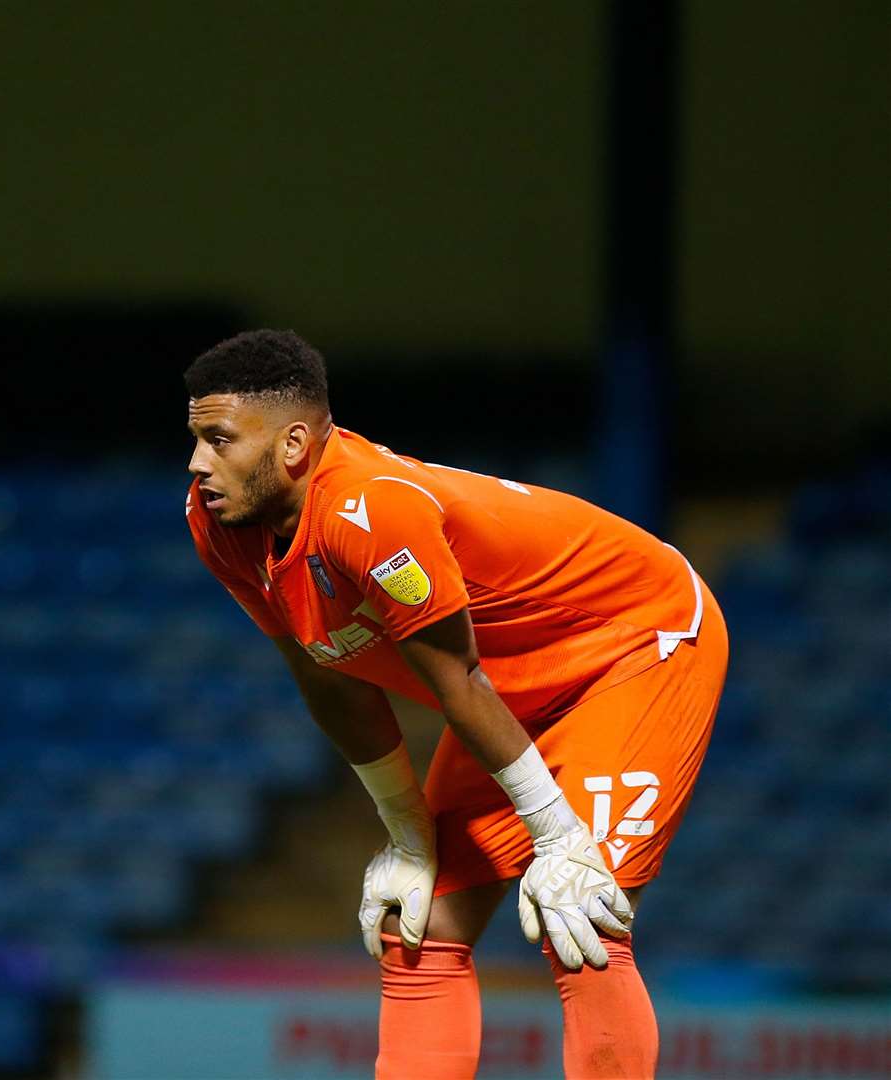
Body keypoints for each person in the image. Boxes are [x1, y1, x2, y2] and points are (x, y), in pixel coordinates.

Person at [183, 330, 727, 1079]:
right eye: (195, 439)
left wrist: (558, 837)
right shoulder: (219, 525)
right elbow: (325, 674)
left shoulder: (373, 513)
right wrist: (408, 837)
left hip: (634, 642)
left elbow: (457, 681)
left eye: (218, 440)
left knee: (582, 916)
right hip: (512, 686)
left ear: (294, 445)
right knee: (420, 925)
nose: (197, 463)